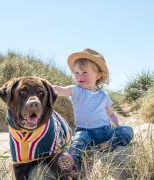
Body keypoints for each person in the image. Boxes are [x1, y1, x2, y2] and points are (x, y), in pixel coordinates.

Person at [53, 48, 134, 178]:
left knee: (127, 130)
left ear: (98, 75)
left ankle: (108, 145)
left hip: (105, 132)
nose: (80, 76)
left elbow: (111, 113)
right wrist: (46, 86)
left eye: (84, 72)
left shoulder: (104, 96)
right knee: (77, 142)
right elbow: (60, 90)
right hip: (84, 132)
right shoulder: (76, 90)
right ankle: (73, 165)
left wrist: (117, 125)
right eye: (76, 72)